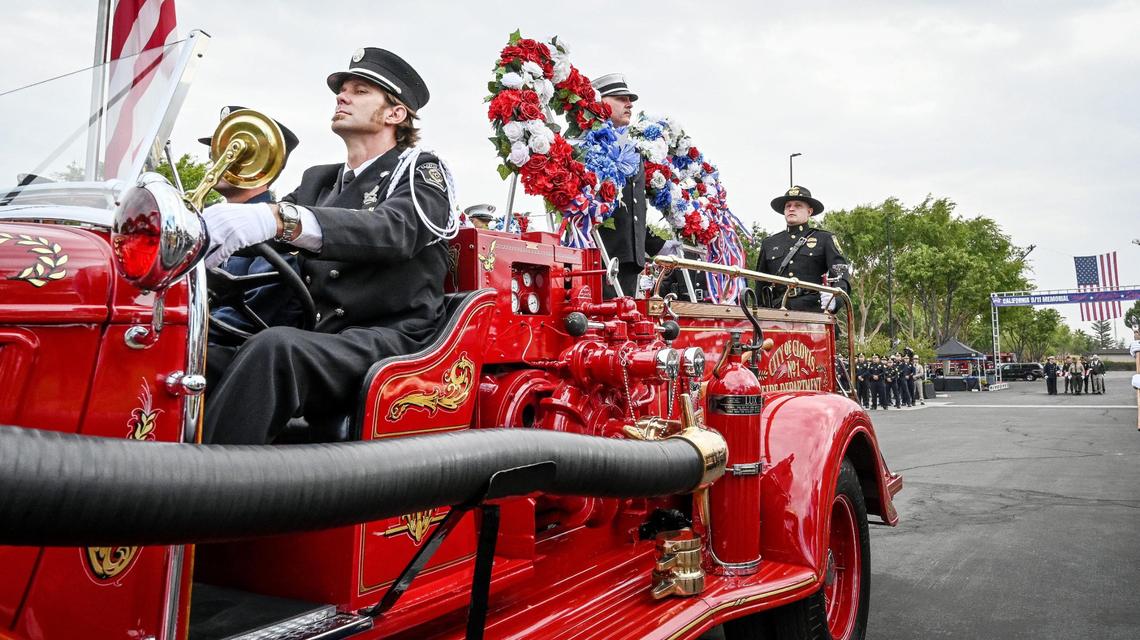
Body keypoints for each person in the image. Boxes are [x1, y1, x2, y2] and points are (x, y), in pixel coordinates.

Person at [200, 47, 456, 444]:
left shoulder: (419, 168)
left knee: (274, 349)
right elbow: (264, 241)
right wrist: (196, 230)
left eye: (360, 90)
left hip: (391, 339)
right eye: (342, 90)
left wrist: (277, 218)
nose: (342, 96)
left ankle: (210, 494)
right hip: (325, 337)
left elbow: (395, 230)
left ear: (395, 114)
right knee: (197, 356)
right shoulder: (319, 180)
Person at [202, 106, 304, 343]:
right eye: (214, 154)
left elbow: (249, 317)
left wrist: (179, 331)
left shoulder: (277, 230)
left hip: (239, 354)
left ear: (259, 167)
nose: (214, 162)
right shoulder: (208, 222)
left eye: (228, 154)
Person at [591, 73, 666, 299]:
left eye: (629, 99)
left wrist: (654, 245)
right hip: (600, 256)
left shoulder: (632, 149)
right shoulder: (589, 144)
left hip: (630, 258)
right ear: (600, 102)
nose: (629, 104)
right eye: (620, 99)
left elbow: (634, 210)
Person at [754, 186, 850, 312]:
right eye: (788, 205)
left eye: (798, 205)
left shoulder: (824, 238)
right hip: (777, 312)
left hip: (813, 311)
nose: (791, 208)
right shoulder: (769, 243)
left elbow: (840, 274)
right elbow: (760, 284)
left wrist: (835, 300)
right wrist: (759, 314)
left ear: (809, 212)